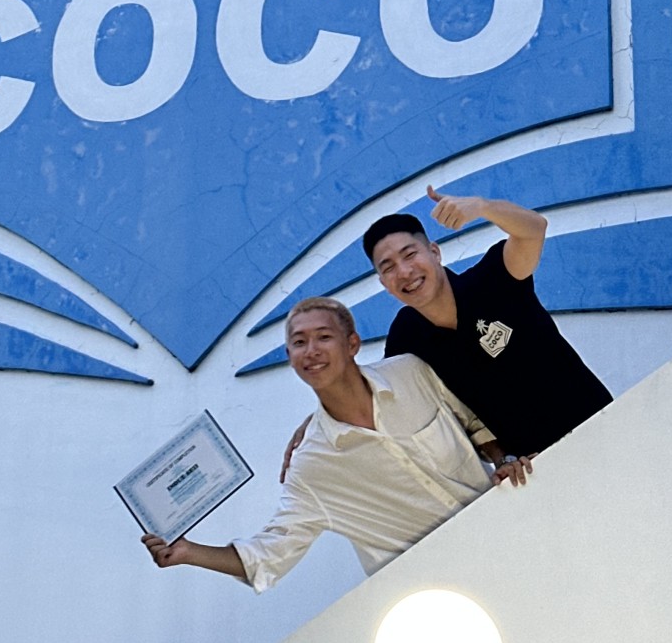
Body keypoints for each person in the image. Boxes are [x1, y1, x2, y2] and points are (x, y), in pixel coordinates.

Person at [142, 296, 526, 592]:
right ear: (290, 358)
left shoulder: (411, 372)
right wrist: (189, 553)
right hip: (440, 592)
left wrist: (502, 459)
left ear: (352, 343)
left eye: (324, 337)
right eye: (299, 342)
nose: (311, 350)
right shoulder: (311, 466)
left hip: (513, 532)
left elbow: (474, 422)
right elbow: (268, 555)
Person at [281, 187, 612, 479]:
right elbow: (377, 395)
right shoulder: (406, 338)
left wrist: (482, 207)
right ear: (384, 284)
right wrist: (321, 421)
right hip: (534, 470)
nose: (404, 272)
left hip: (602, 424)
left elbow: (534, 229)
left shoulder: (494, 279)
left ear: (435, 253)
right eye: (389, 267)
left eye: (410, 254)